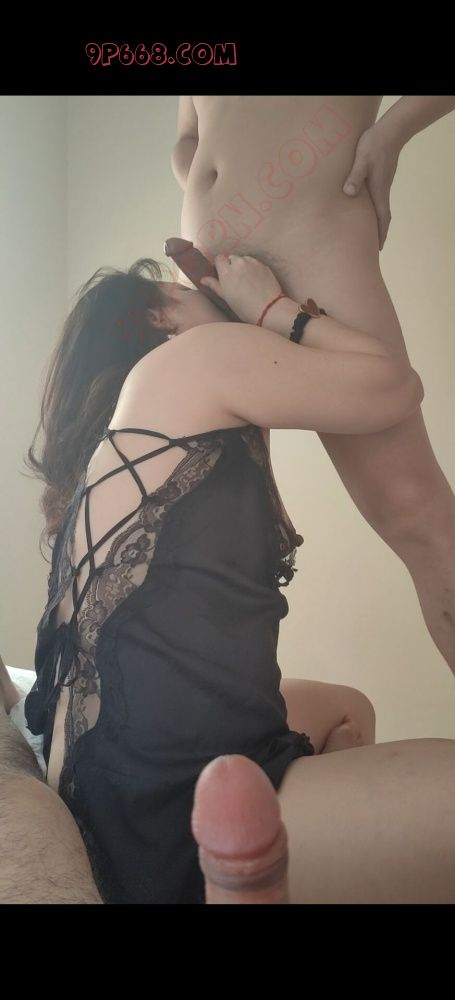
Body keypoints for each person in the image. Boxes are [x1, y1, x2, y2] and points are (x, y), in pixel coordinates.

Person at [1, 253, 454, 905]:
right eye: (184, 288)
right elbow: (393, 387)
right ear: (160, 316)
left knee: (346, 707)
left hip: (103, 788)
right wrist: (271, 307)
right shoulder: (188, 359)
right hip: (163, 814)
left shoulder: (131, 437)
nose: (203, 287)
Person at [171, 95, 455, 675]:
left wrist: (391, 133)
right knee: (219, 535)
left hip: (310, 236)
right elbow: (188, 135)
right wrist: (209, 187)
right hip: (209, 273)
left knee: (416, 515)